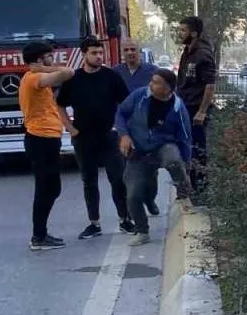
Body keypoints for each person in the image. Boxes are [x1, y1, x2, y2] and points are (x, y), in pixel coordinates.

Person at [57, 37, 134, 240]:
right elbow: (60, 105)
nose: (99, 56)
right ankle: (94, 223)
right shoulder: (73, 78)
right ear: (84, 54)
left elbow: (126, 104)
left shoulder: (112, 76)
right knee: (89, 181)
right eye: (94, 53)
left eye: (101, 53)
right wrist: (70, 129)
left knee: (117, 179)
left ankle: (125, 219)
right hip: (83, 137)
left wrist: (123, 131)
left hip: (109, 136)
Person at [115, 69, 195, 246]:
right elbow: (121, 113)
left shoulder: (178, 108)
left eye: (156, 82)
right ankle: (142, 231)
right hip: (138, 150)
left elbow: (185, 139)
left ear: (168, 89)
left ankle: (183, 194)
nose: (151, 84)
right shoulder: (139, 95)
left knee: (173, 160)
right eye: (151, 80)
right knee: (133, 194)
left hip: (163, 146)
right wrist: (124, 135)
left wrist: (187, 168)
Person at [19, 41, 76, 251]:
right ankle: (39, 236)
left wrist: (42, 67)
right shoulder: (34, 78)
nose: (53, 60)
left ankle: (41, 234)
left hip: (48, 138)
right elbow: (68, 73)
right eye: (49, 56)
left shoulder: (36, 77)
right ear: (39, 59)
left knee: (52, 188)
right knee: (45, 188)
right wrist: (43, 68)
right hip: (39, 139)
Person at [112, 39, 160, 216]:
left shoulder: (152, 71)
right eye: (126, 50)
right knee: (128, 169)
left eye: (133, 49)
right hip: (124, 127)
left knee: (151, 169)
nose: (130, 53)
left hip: (147, 127)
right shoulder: (116, 72)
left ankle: (150, 198)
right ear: (122, 52)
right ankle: (133, 206)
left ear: (139, 51)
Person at [175, 16, 216, 196]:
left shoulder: (202, 54)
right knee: (188, 148)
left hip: (196, 109)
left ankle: (201, 190)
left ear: (194, 33)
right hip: (185, 107)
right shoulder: (188, 51)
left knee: (198, 150)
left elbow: (210, 85)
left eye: (183, 30)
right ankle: (191, 186)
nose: (180, 33)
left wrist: (202, 111)